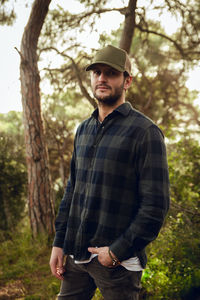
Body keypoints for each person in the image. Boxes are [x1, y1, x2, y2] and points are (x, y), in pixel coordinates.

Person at [49, 45, 170, 300]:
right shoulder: (83, 129)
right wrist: (59, 242)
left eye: (111, 73)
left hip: (117, 265)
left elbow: (156, 206)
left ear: (127, 81)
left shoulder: (145, 133)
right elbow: (72, 191)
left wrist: (115, 252)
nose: (101, 78)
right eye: (96, 72)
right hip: (77, 254)